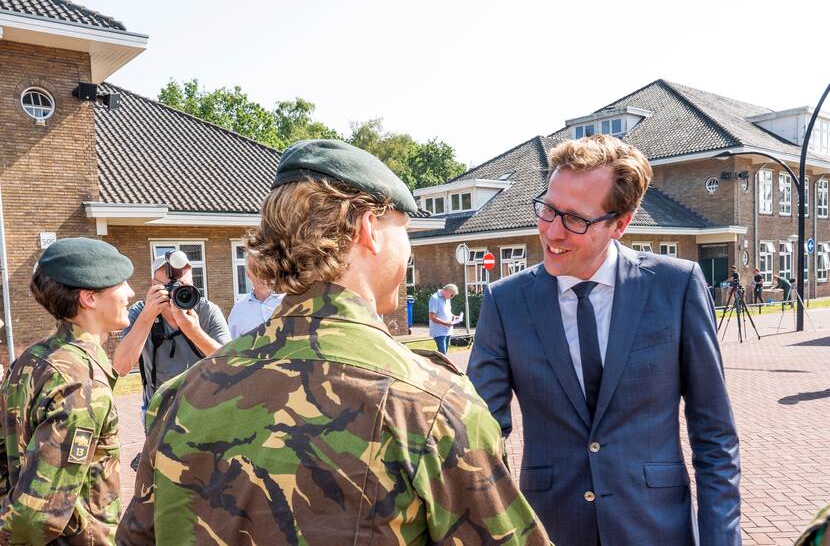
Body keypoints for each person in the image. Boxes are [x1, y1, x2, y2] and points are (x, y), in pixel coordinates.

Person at [116, 139, 550, 545]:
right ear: (369, 229)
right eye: (405, 229)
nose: (410, 247)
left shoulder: (180, 398)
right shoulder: (429, 404)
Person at [468, 135, 741, 545]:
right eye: (548, 210)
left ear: (620, 223)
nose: (552, 232)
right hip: (551, 530)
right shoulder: (505, 301)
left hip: (656, 528)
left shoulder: (676, 286)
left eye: (575, 219)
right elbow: (479, 435)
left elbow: (715, 434)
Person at [0, 238, 134, 544]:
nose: (130, 292)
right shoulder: (81, 383)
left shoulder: (32, 359)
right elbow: (37, 517)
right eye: (120, 283)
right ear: (89, 298)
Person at [112, 250, 231, 411]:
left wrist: (193, 330)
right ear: (154, 285)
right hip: (159, 410)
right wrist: (148, 316)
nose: (177, 292)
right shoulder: (140, 312)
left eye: (184, 286)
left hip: (205, 408)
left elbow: (229, 363)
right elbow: (121, 367)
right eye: (170, 287)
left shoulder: (207, 310)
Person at [227, 258, 285, 338]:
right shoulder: (238, 309)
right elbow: (231, 347)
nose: (263, 276)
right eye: (257, 270)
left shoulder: (289, 302)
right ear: (248, 273)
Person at [428, 283, 459, 353]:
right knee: (443, 353)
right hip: (439, 331)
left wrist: (454, 316)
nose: (452, 297)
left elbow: (447, 312)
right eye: (452, 295)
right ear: (447, 291)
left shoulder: (447, 299)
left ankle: (436, 362)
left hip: (448, 331)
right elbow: (432, 317)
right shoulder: (434, 298)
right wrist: (445, 323)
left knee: (444, 353)